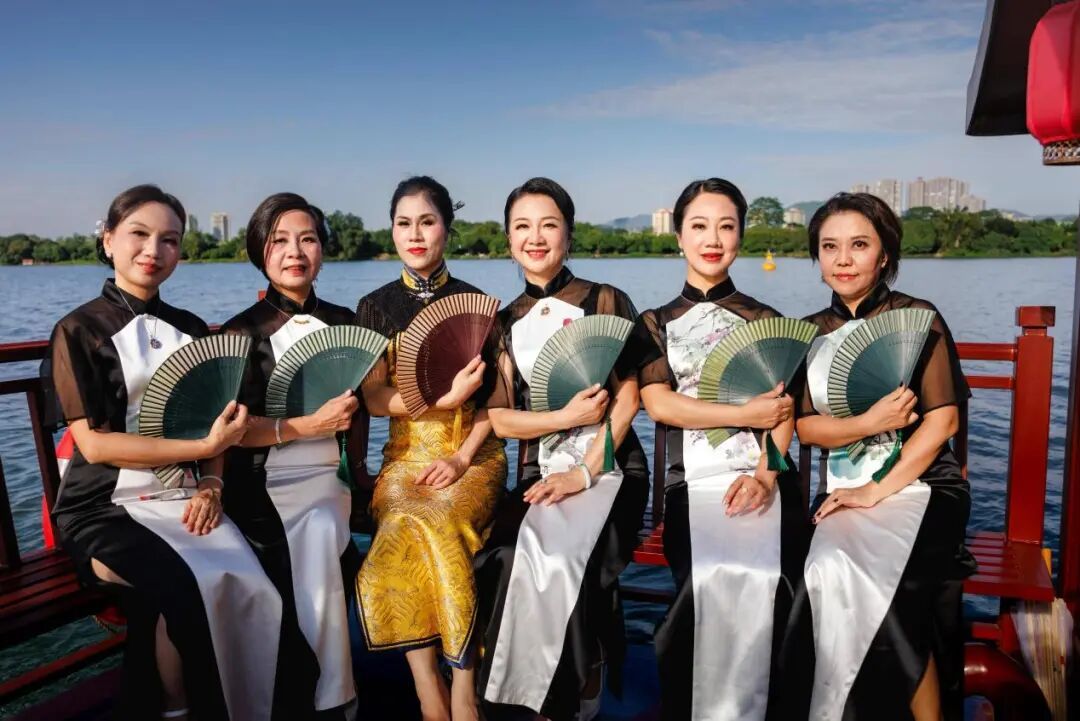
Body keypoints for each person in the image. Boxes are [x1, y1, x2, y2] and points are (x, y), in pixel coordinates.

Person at [42, 184, 282, 721]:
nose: (154, 250)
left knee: (252, 584)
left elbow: (218, 424)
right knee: (182, 586)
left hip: (184, 497)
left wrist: (212, 482)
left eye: (169, 240)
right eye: (139, 234)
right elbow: (94, 445)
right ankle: (178, 709)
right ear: (108, 240)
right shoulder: (77, 331)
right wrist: (203, 448)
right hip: (101, 507)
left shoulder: (192, 330)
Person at [792, 192, 973, 721]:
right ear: (817, 256)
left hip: (923, 485)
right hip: (844, 488)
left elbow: (943, 421)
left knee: (889, 584)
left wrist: (875, 490)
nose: (843, 259)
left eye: (859, 245)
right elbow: (806, 427)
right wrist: (869, 424)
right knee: (825, 568)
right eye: (829, 246)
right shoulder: (810, 332)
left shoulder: (918, 317)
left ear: (885, 254)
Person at [633, 178, 808, 721]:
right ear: (678, 237)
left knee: (775, 579)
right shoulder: (655, 323)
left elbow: (785, 413)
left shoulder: (765, 320)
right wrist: (742, 415)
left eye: (726, 226)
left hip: (762, 475)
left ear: (740, 237)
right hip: (691, 483)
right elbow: (660, 405)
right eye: (699, 226)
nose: (712, 239)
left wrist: (765, 476)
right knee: (704, 578)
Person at [475, 177, 649, 721]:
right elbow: (500, 418)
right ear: (508, 239)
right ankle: (523, 699)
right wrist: (563, 419)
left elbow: (630, 396)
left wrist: (586, 472)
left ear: (568, 234)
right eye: (522, 227)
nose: (535, 237)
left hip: (612, 468)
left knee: (566, 557)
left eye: (548, 225)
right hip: (540, 472)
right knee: (505, 555)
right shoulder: (504, 322)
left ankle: (576, 687)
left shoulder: (605, 300)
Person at [353, 176, 507, 721]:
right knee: (401, 523)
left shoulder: (478, 305)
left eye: (427, 221)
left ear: (447, 228)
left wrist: (462, 456)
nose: (415, 234)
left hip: (471, 451)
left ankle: (463, 682)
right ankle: (427, 687)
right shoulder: (374, 307)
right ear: (392, 230)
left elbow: (496, 405)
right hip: (405, 454)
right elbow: (374, 399)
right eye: (404, 223)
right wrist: (441, 397)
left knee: (441, 519)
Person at [221, 192, 362, 719]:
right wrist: (307, 425)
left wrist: (359, 466)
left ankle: (332, 692)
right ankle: (321, 692)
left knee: (322, 523)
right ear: (260, 250)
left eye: (307, 239)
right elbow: (234, 432)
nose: (295, 252)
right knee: (316, 530)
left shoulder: (346, 322)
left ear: (323, 249)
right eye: (279, 240)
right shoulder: (242, 331)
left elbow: (365, 409)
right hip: (262, 478)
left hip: (330, 473)